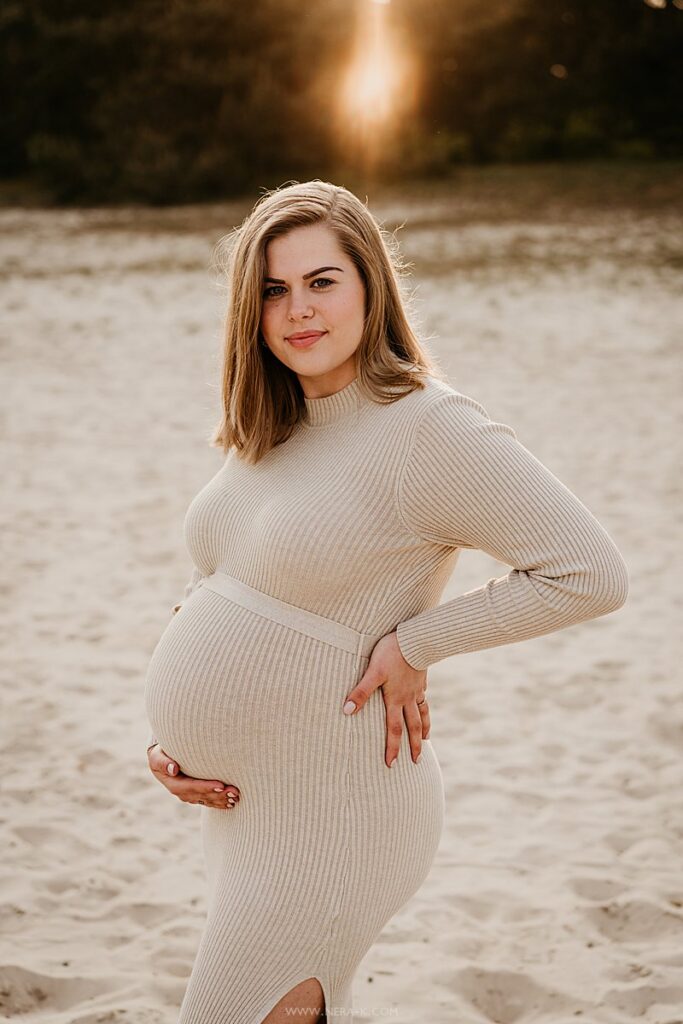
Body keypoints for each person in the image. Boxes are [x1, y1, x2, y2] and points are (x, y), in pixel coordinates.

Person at [143, 179, 629, 1024]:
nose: (297, 310)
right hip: (246, 807)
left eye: (321, 282)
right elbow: (225, 583)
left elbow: (588, 571)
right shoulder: (277, 424)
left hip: (337, 809)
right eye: (272, 290)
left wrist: (417, 643)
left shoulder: (426, 427)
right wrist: (173, 735)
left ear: (370, 284)